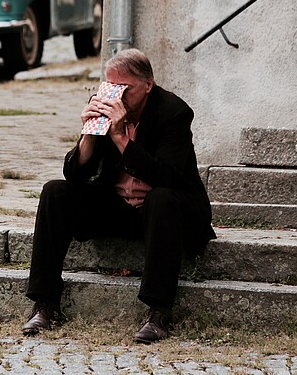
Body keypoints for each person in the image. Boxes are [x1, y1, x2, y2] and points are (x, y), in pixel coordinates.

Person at [22, 48, 216, 343]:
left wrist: (120, 138)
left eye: (123, 88)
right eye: (110, 87)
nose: (116, 96)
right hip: (118, 206)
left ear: (147, 85)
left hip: (166, 212)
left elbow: (168, 177)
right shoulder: (104, 106)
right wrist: (89, 134)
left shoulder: (173, 112)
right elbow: (74, 174)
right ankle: (45, 304)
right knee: (55, 192)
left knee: (160, 198)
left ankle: (159, 312)